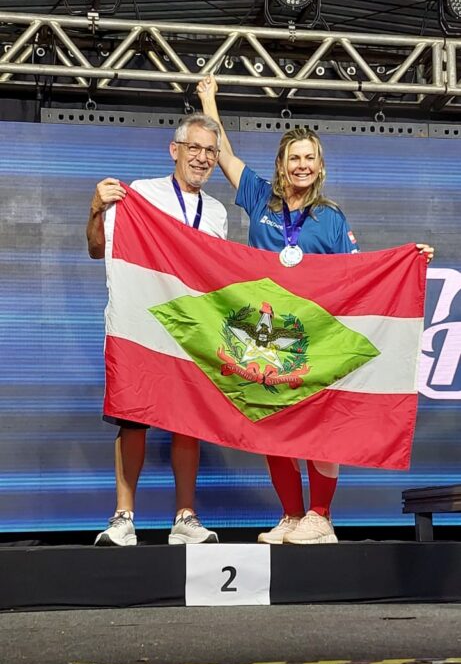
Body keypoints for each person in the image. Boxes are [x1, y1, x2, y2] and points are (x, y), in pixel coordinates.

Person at [197, 75, 434, 546]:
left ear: (319, 166)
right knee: (271, 426)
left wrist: (408, 259)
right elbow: (224, 155)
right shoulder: (259, 197)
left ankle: (320, 516)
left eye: (309, 158)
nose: (301, 166)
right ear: (281, 165)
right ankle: (290, 516)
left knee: (319, 427)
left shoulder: (331, 217)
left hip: (312, 338)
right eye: (294, 158)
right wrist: (208, 100)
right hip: (265, 340)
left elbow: (358, 274)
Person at [87, 112, 228, 547]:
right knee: (133, 419)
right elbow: (97, 249)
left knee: (189, 422)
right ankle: (123, 517)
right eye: (194, 148)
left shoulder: (218, 212)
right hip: (141, 327)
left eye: (210, 151)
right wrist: (96, 209)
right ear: (175, 150)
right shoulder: (141, 195)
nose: (202, 158)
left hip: (193, 331)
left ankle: (185, 517)